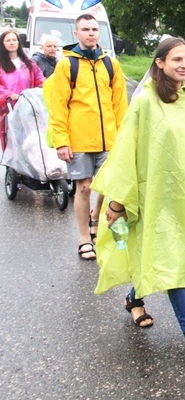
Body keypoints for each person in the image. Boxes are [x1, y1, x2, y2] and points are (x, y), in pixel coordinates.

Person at [91, 37, 185, 366]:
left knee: (157, 257)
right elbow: (126, 152)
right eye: (177, 59)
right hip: (149, 199)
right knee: (170, 265)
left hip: (180, 201)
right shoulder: (145, 103)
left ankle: (133, 298)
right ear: (160, 63)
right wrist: (117, 204)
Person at [47, 14, 128, 260]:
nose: (91, 33)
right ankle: (84, 238)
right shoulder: (66, 65)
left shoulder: (110, 64)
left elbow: (120, 104)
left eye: (94, 29)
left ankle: (106, 228)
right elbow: (58, 105)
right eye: (85, 29)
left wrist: (124, 137)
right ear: (76, 33)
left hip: (110, 140)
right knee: (83, 189)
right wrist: (61, 140)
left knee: (113, 188)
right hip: (79, 139)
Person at [0, 28, 45, 150]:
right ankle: (11, 165)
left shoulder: (29, 64)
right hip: (8, 109)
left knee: (29, 138)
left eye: (14, 40)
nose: (11, 43)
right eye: (8, 40)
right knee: (10, 138)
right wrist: (8, 94)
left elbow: (40, 81)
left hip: (28, 107)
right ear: (2, 44)